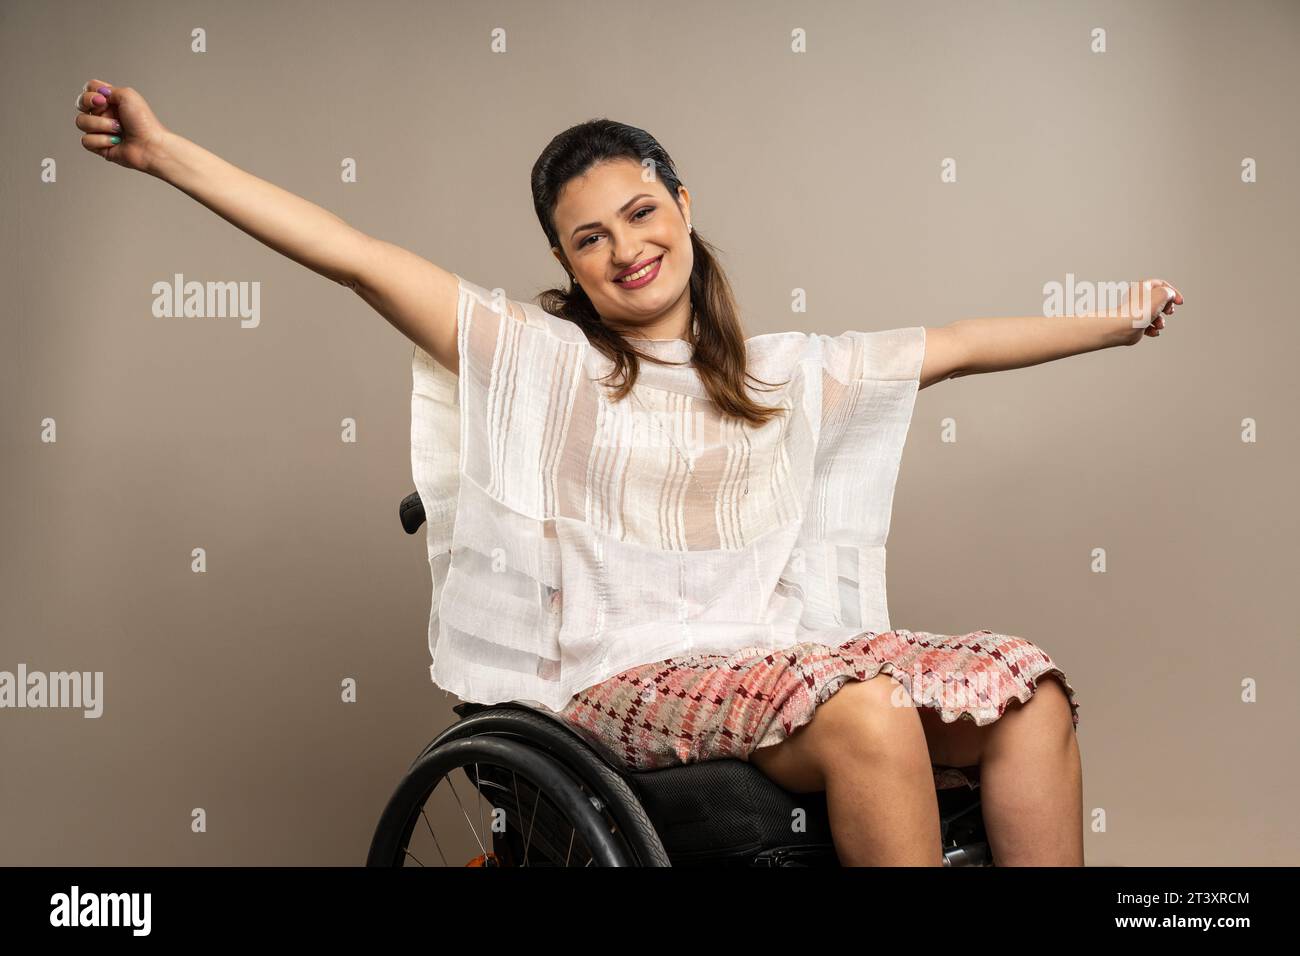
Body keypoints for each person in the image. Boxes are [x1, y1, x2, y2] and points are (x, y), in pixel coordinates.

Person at [73, 79, 1182, 867]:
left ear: (683, 205)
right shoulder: (539, 361)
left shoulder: (783, 372)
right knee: (871, 708)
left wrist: (1114, 322)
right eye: (587, 237)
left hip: (772, 663)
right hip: (619, 679)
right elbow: (354, 256)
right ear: (565, 266)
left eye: (640, 212)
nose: (624, 248)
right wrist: (167, 153)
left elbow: (957, 343)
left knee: (1026, 688)